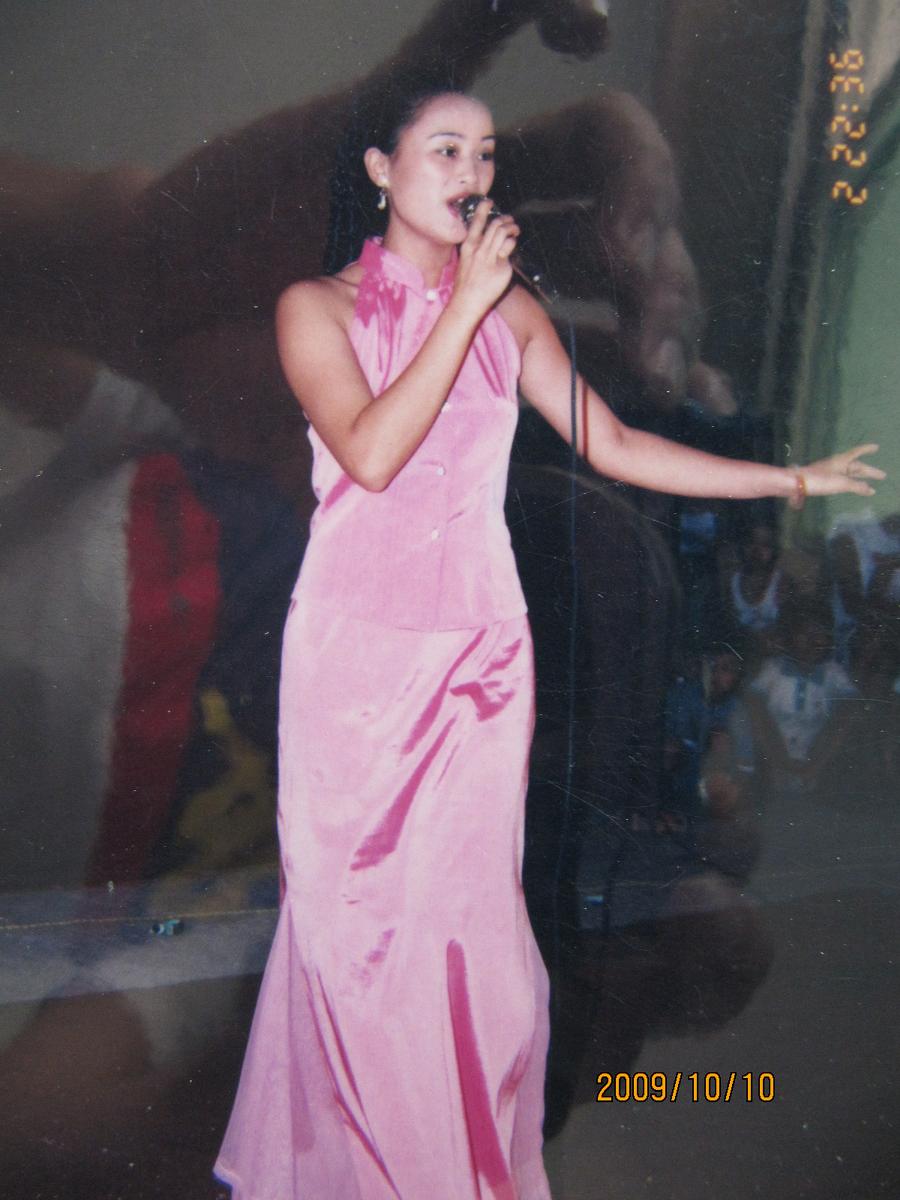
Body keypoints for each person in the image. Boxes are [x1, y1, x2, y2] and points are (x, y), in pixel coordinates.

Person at [212, 83, 883, 1200]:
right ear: (381, 169)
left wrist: (785, 480)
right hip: (359, 669)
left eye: (483, 152)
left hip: (480, 662)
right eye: (444, 149)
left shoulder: (508, 312)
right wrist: (465, 308)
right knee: (358, 941)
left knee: (471, 950)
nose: (471, 173)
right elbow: (371, 453)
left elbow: (611, 443)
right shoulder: (315, 310)